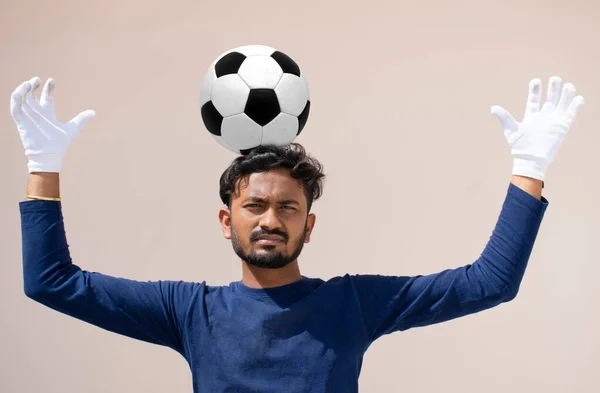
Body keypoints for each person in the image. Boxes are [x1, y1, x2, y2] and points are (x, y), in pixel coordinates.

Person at [12, 75, 584, 393]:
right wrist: (44, 164)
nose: (269, 219)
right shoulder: (189, 312)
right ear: (225, 219)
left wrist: (529, 166)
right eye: (254, 205)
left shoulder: (352, 304)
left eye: (288, 208)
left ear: (307, 227)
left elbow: (489, 283)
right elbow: (52, 283)